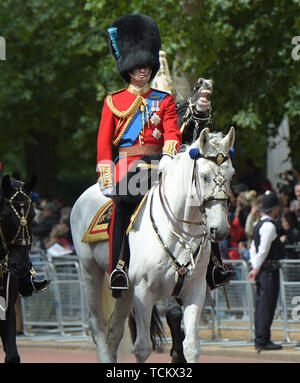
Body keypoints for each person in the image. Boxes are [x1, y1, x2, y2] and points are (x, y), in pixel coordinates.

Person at [97, 13, 234, 298]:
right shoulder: (114, 101)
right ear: (127, 68)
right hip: (129, 164)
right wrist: (107, 175)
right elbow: (103, 143)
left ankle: (214, 266)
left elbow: (172, 131)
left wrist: (170, 155)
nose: (143, 70)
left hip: (161, 162)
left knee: (203, 196)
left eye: (146, 65)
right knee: (122, 204)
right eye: (137, 66)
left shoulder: (165, 101)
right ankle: (119, 266)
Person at [248, 191, 285, 351]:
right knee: (266, 305)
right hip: (268, 271)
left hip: (263, 270)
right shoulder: (270, 226)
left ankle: (262, 338)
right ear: (275, 208)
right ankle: (262, 340)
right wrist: (256, 268)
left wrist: (254, 265)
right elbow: (263, 250)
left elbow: (252, 249)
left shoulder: (259, 225)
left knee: (263, 304)